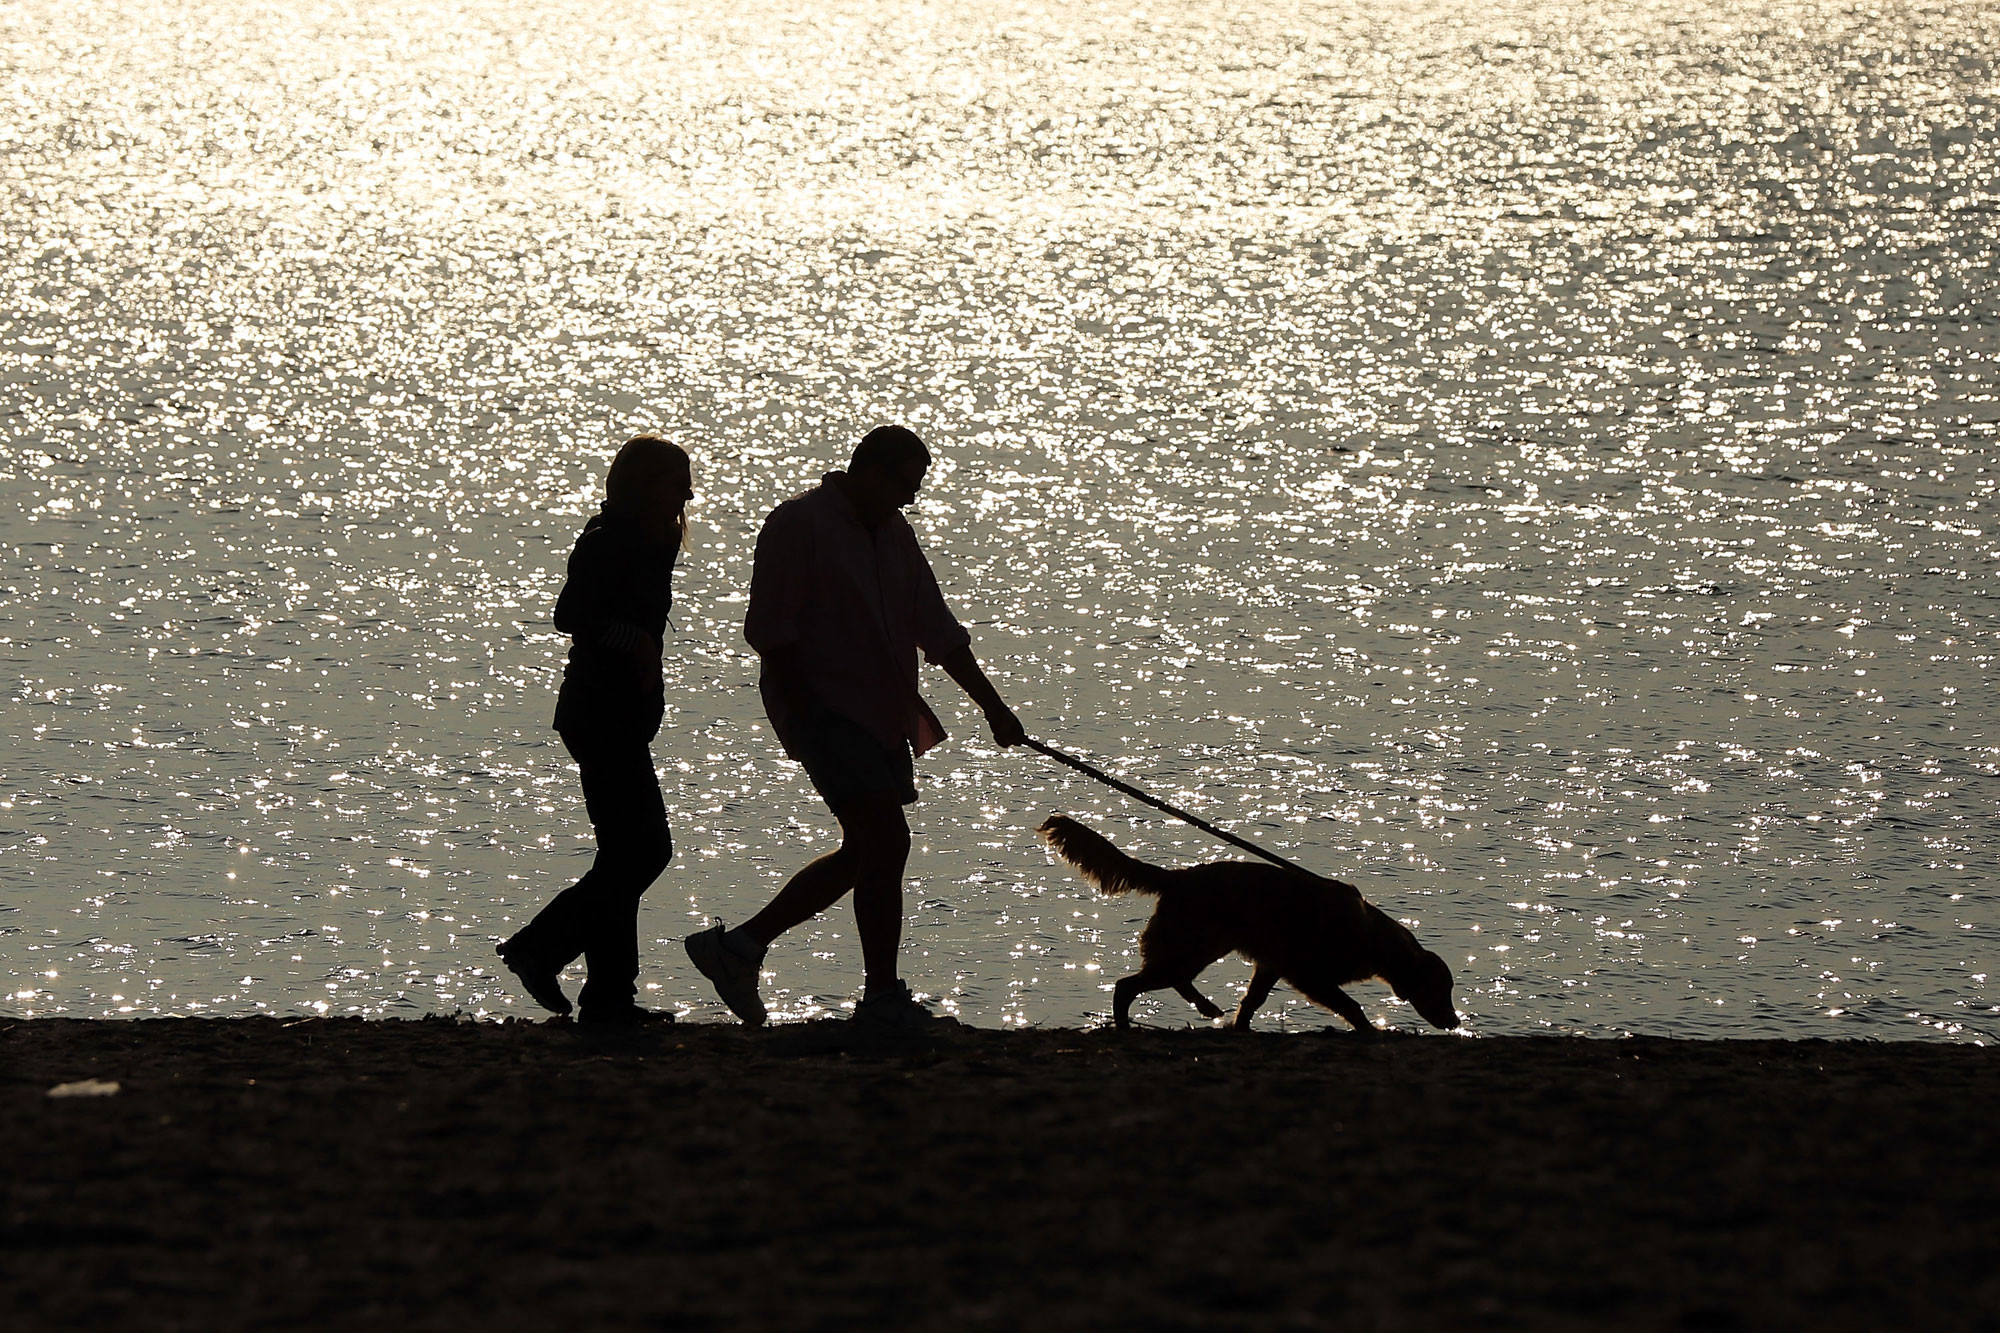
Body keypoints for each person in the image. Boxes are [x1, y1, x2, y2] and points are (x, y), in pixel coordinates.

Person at [685, 425, 1025, 1028]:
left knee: (866, 849)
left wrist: (994, 708)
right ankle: (881, 995)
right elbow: (769, 626)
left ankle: (737, 948)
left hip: (883, 715)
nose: (912, 498)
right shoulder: (800, 524)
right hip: (823, 709)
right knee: (886, 840)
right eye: (907, 483)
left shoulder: (896, 535)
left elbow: (938, 630)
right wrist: (806, 711)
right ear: (871, 470)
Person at [498, 436, 693, 1025]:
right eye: (675, 480)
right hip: (596, 711)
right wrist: (632, 643)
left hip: (621, 714)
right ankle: (541, 947)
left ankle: (610, 997)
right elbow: (571, 616)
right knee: (644, 851)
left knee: (624, 855)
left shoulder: (654, 542)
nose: (687, 492)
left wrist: (649, 677)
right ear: (643, 486)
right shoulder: (610, 541)